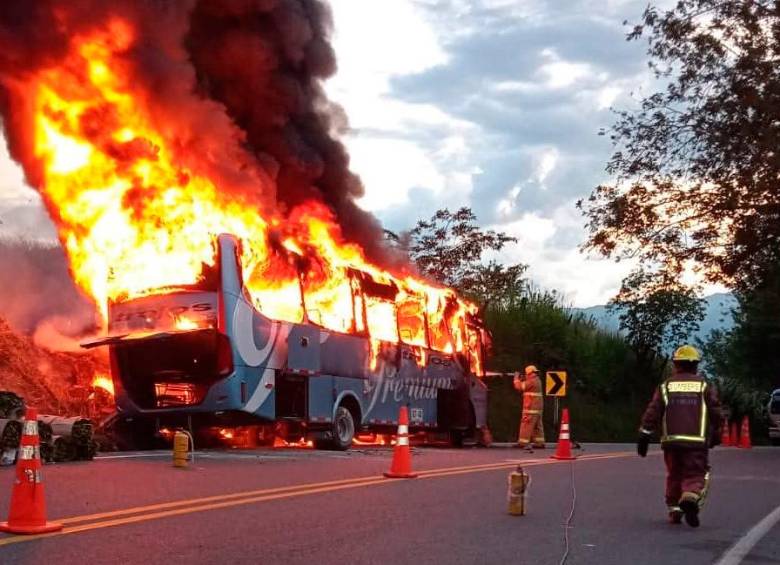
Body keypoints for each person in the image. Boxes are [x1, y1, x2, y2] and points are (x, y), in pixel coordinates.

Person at [637, 344, 723, 527]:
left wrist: (644, 434)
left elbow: (653, 411)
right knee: (695, 474)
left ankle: (675, 510)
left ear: (676, 364)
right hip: (696, 443)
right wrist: (717, 432)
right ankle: (690, 497)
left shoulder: (666, 386)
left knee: (674, 474)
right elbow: (716, 413)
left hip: (671, 442)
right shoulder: (704, 386)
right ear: (696, 365)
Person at [514, 365, 545, 450]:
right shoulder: (537, 380)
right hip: (537, 409)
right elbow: (525, 386)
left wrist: (516, 379)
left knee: (526, 425)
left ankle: (522, 443)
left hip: (530, 409)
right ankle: (539, 443)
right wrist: (522, 379)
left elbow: (519, 387)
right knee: (537, 427)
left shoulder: (532, 381)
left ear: (529, 373)